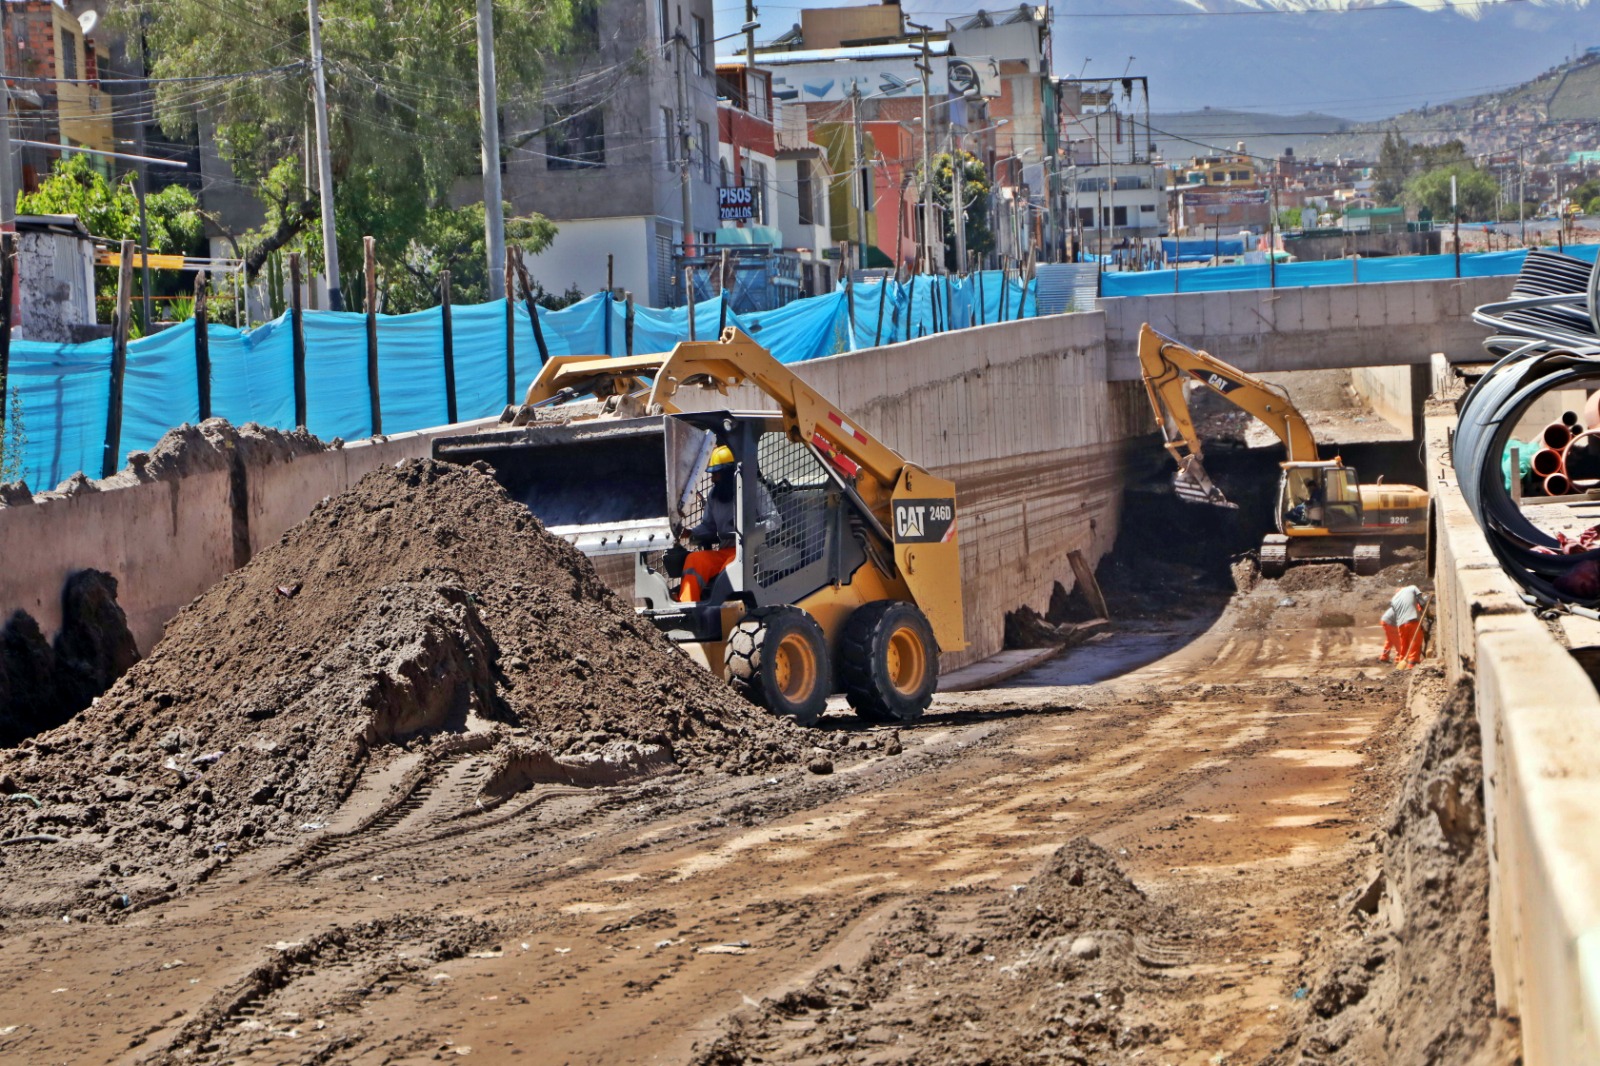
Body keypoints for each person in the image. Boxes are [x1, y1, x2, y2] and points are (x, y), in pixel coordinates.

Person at [674, 444, 780, 603]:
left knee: (731, 565)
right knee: (694, 560)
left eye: (717, 474)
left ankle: (722, 606)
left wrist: (750, 530)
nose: (713, 479)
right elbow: (708, 526)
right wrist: (691, 533)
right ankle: (687, 606)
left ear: (730, 473)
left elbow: (775, 520)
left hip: (750, 552)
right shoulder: (714, 496)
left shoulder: (756, 490)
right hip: (725, 550)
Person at [1379, 584, 1425, 668]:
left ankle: (1397, 660)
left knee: (1400, 643)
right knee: (1413, 642)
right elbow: (1422, 604)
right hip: (1395, 623)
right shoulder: (1412, 589)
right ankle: (1411, 664)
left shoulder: (1395, 600)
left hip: (1397, 623)